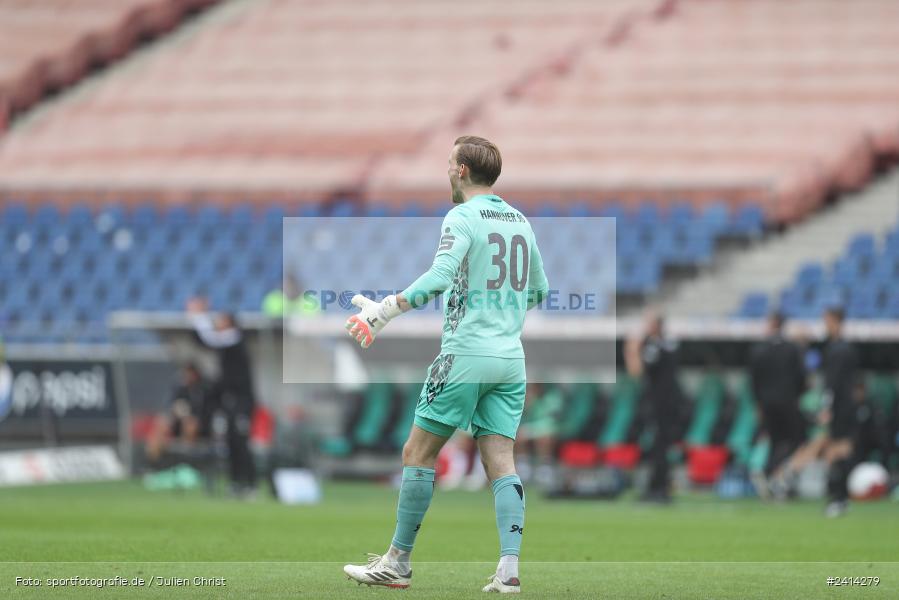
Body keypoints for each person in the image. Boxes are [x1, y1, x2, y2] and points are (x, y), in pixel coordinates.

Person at [342, 136, 548, 593]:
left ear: (460, 171)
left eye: (448, 164)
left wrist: (383, 310)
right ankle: (509, 569)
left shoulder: (461, 216)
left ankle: (398, 562)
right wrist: (500, 312)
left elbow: (439, 276)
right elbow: (540, 290)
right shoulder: (520, 222)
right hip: (510, 360)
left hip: (466, 355)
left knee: (418, 454)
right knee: (501, 461)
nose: (446, 172)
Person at [187, 298, 258, 498]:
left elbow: (208, 339)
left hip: (243, 401)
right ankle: (236, 483)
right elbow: (203, 340)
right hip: (231, 399)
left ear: (230, 323)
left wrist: (199, 317)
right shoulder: (227, 340)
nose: (217, 324)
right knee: (232, 441)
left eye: (220, 321)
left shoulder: (234, 337)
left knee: (242, 442)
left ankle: (250, 483)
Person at [625, 311, 685, 504]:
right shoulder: (671, 344)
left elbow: (636, 372)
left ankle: (658, 489)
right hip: (671, 403)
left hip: (659, 404)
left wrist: (631, 351)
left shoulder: (654, 347)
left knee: (659, 446)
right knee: (663, 445)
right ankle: (660, 486)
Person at [748, 312, 808, 495]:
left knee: (774, 441)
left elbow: (754, 379)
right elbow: (801, 376)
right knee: (796, 440)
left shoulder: (759, 349)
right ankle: (771, 472)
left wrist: (758, 402)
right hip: (788, 402)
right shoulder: (792, 349)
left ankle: (771, 475)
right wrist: (797, 395)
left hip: (766, 403)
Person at [145, 363, 214, 464]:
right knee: (161, 423)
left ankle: (185, 459)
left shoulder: (205, 390)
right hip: (179, 423)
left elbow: (206, 413)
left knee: (190, 424)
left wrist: (189, 416)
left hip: (200, 426)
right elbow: (173, 407)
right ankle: (152, 462)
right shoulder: (181, 390)